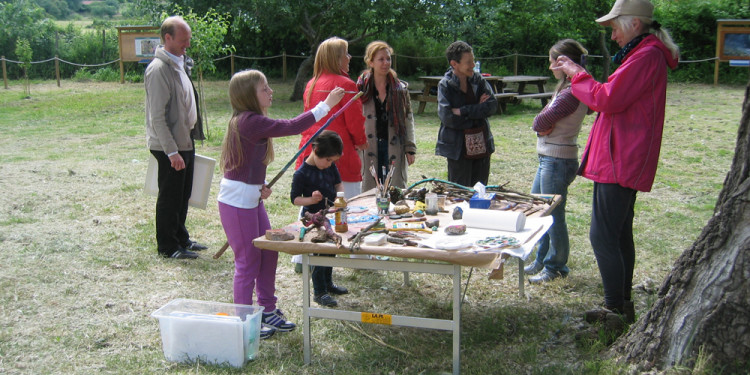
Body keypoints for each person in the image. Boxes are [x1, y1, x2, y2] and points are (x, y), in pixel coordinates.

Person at [553, 0, 679, 323]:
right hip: (620, 155)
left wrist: (576, 74)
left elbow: (606, 98)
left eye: (614, 28)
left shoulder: (646, 56)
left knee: (602, 235)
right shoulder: (643, 54)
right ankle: (622, 305)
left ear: (633, 24)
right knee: (619, 233)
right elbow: (612, 95)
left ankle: (614, 310)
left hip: (622, 158)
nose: (612, 37)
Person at [218, 70, 345, 338]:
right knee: (247, 262)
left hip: (249, 200)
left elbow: (243, 166)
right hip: (237, 204)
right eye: (264, 88)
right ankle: (243, 320)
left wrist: (258, 187)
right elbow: (292, 126)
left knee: (270, 250)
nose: (271, 91)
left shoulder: (252, 121)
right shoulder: (249, 121)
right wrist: (326, 105)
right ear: (248, 95)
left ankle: (267, 309)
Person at [524, 39, 592, 284]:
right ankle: (542, 259)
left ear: (564, 63)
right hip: (550, 157)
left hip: (557, 159)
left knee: (553, 215)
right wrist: (544, 123)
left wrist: (542, 123)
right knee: (540, 210)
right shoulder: (567, 86)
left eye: (553, 60)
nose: (550, 64)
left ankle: (556, 267)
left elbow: (539, 122)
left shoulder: (572, 90)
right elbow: (544, 121)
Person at [145, 16, 207, 259]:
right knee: (170, 197)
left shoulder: (179, 63)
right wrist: (171, 152)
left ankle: (181, 239)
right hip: (169, 146)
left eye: (188, 39)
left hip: (184, 141)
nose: (187, 45)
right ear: (167, 38)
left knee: (183, 195)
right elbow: (156, 118)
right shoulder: (158, 70)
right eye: (183, 40)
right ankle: (168, 247)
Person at [295, 36, 367, 199]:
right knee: (345, 210)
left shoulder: (311, 84)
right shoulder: (347, 85)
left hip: (311, 152)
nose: (349, 58)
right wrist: (362, 142)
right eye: (346, 54)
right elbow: (355, 123)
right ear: (336, 59)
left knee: (313, 209)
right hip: (339, 156)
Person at [291, 131, 350, 307]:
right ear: (316, 151)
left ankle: (328, 283)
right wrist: (311, 200)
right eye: (328, 160)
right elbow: (295, 199)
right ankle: (319, 291)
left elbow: (338, 183)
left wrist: (340, 197)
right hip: (313, 220)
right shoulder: (302, 173)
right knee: (319, 254)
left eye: (333, 161)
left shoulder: (329, 166)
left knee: (330, 251)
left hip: (329, 214)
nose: (330, 164)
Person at [436, 41, 498, 187]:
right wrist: (477, 111)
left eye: (473, 60)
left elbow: (492, 106)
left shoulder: (479, 80)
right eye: (468, 62)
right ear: (454, 64)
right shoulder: (445, 85)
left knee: (480, 193)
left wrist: (464, 111)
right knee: (459, 194)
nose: (473, 65)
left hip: (482, 147)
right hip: (458, 149)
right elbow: (448, 118)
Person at [356, 41, 417, 192]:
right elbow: (355, 118)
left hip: (394, 146)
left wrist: (410, 148)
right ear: (371, 62)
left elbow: (408, 119)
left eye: (388, 59)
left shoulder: (400, 89)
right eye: (381, 59)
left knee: (394, 192)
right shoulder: (360, 88)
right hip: (368, 147)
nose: (386, 63)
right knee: (370, 192)